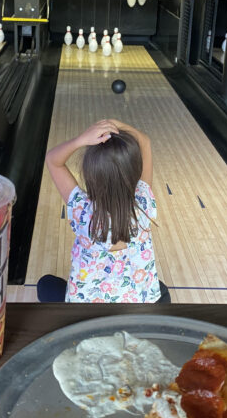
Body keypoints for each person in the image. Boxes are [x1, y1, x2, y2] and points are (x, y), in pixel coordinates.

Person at [38, 119, 169, 303]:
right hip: (136, 306)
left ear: (90, 176)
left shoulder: (82, 210)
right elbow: (145, 142)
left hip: (85, 313)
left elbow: (53, 160)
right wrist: (118, 125)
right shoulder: (144, 201)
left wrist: (80, 140)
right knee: (161, 290)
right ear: (134, 173)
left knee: (45, 284)